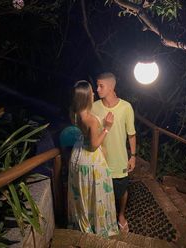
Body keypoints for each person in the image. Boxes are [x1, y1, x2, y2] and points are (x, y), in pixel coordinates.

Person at [68, 80, 119, 238]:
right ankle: (99, 227)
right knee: (96, 193)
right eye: (91, 92)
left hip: (77, 156)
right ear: (86, 97)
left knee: (83, 192)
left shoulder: (74, 113)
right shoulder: (90, 119)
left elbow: (85, 136)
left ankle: (84, 223)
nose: (94, 93)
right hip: (90, 159)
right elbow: (95, 145)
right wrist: (107, 127)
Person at [92, 72, 136, 233]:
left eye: (101, 86)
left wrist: (133, 156)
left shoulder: (126, 107)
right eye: (97, 85)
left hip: (120, 160)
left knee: (122, 191)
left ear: (111, 87)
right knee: (101, 192)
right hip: (100, 160)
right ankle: (105, 218)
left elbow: (131, 134)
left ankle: (121, 215)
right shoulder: (94, 106)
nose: (97, 89)